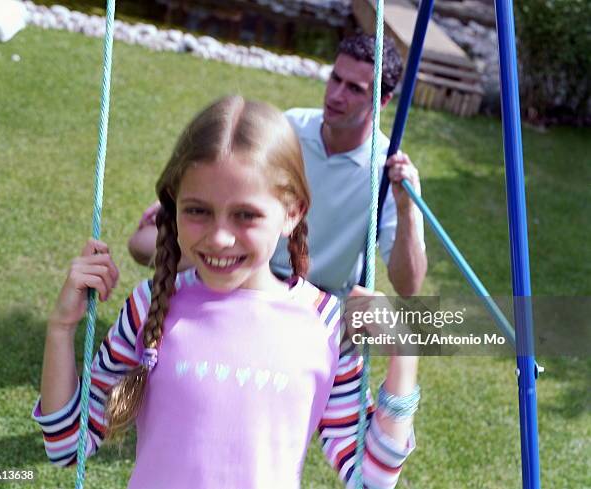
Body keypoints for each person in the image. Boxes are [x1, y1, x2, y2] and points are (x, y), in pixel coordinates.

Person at [32, 96, 419, 488]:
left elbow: (372, 479)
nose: (219, 238)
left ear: (292, 213)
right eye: (198, 210)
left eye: (246, 215)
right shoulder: (151, 305)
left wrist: (404, 353)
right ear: (173, 206)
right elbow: (67, 444)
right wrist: (62, 328)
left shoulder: (326, 326)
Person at [128, 34, 427, 299]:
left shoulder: (387, 171)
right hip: (253, 258)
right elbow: (231, 171)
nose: (336, 95)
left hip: (318, 290)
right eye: (335, 79)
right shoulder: (291, 125)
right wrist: (176, 204)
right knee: (143, 243)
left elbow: (408, 287)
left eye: (354, 89)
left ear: (383, 101)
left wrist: (407, 211)